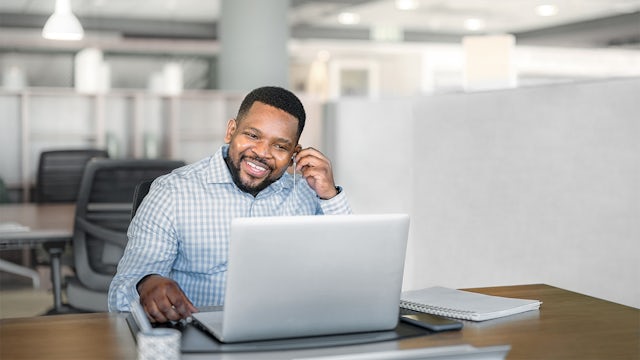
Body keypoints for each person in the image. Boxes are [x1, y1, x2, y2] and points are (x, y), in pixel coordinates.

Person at [108, 86, 351, 322]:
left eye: (280, 146)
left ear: (293, 155)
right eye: (253, 135)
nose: (262, 153)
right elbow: (120, 294)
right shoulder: (173, 193)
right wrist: (146, 285)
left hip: (287, 330)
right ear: (231, 131)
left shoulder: (306, 193)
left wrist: (329, 195)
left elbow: (351, 272)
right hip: (199, 334)